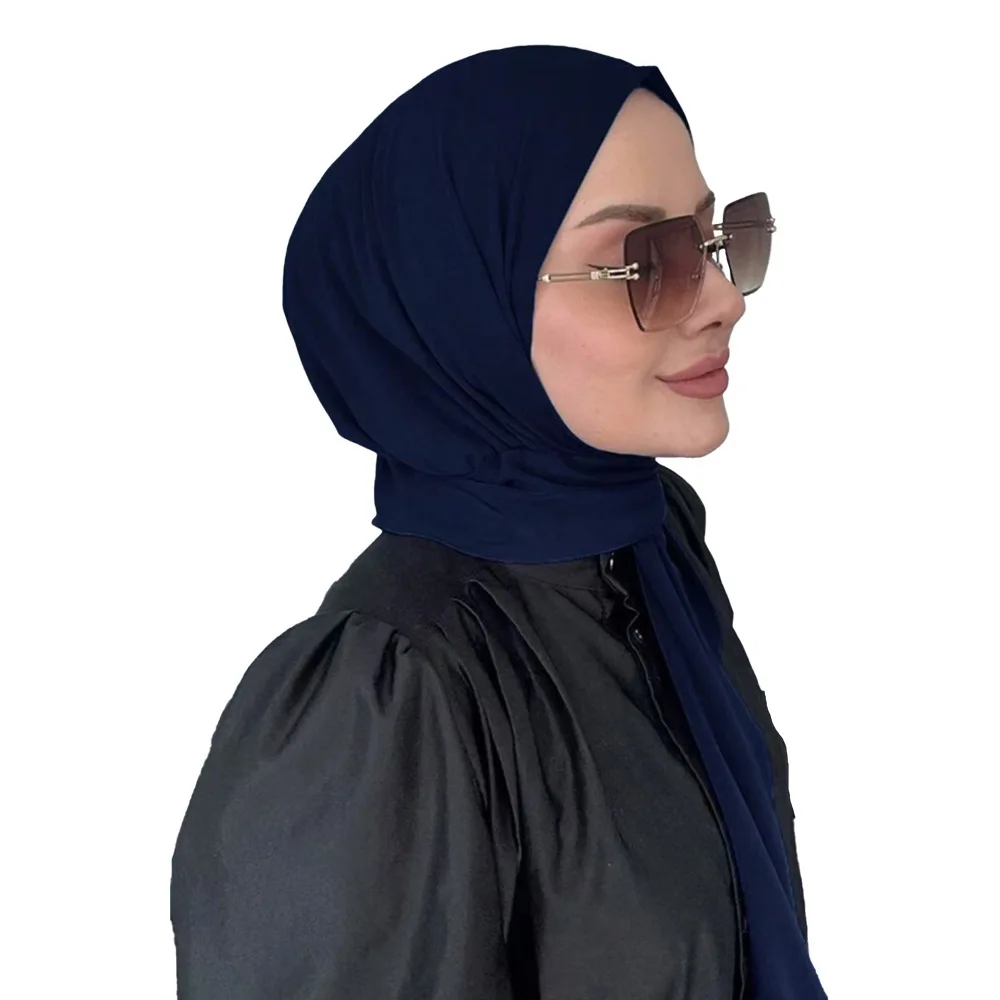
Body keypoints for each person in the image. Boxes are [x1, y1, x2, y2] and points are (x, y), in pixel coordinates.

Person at [170, 44, 827, 1000]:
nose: (724, 300)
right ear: (461, 303)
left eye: (708, 239)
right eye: (646, 260)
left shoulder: (653, 552)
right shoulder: (382, 703)